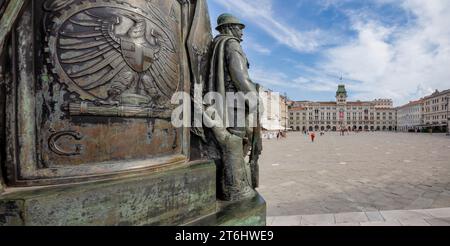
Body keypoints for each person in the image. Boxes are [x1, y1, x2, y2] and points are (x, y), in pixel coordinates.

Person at [203, 13, 262, 201]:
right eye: (239, 28)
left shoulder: (217, 44)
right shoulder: (232, 44)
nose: (242, 32)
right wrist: (254, 99)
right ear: (228, 27)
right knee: (235, 142)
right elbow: (240, 76)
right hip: (235, 101)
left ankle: (234, 182)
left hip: (225, 99)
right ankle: (235, 187)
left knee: (233, 141)